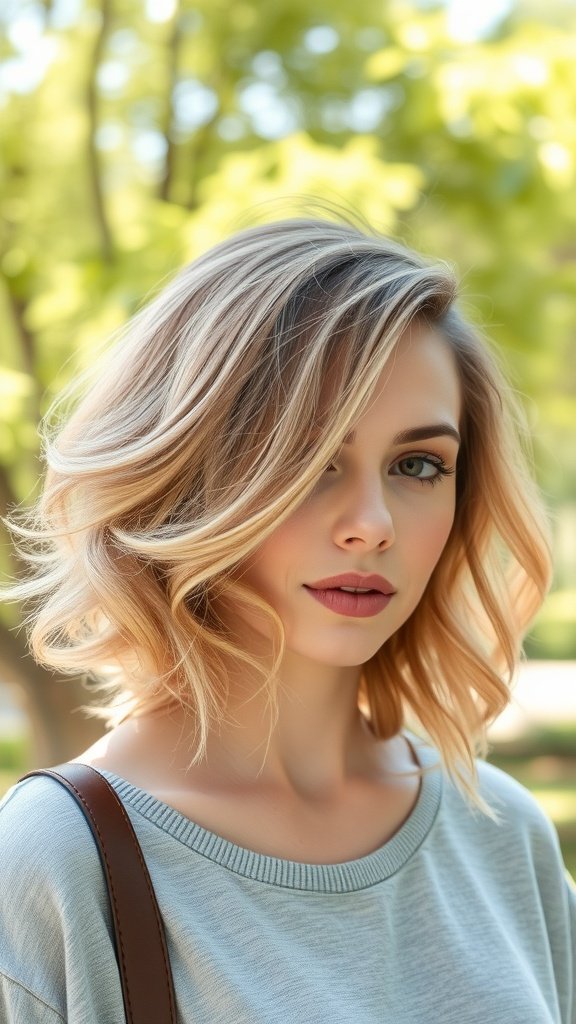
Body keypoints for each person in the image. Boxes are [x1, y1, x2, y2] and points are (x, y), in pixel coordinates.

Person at [0, 214, 574, 1024]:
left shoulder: (504, 834)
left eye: (418, 465)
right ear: (188, 478)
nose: (372, 522)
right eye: (309, 459)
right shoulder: (54, 864)